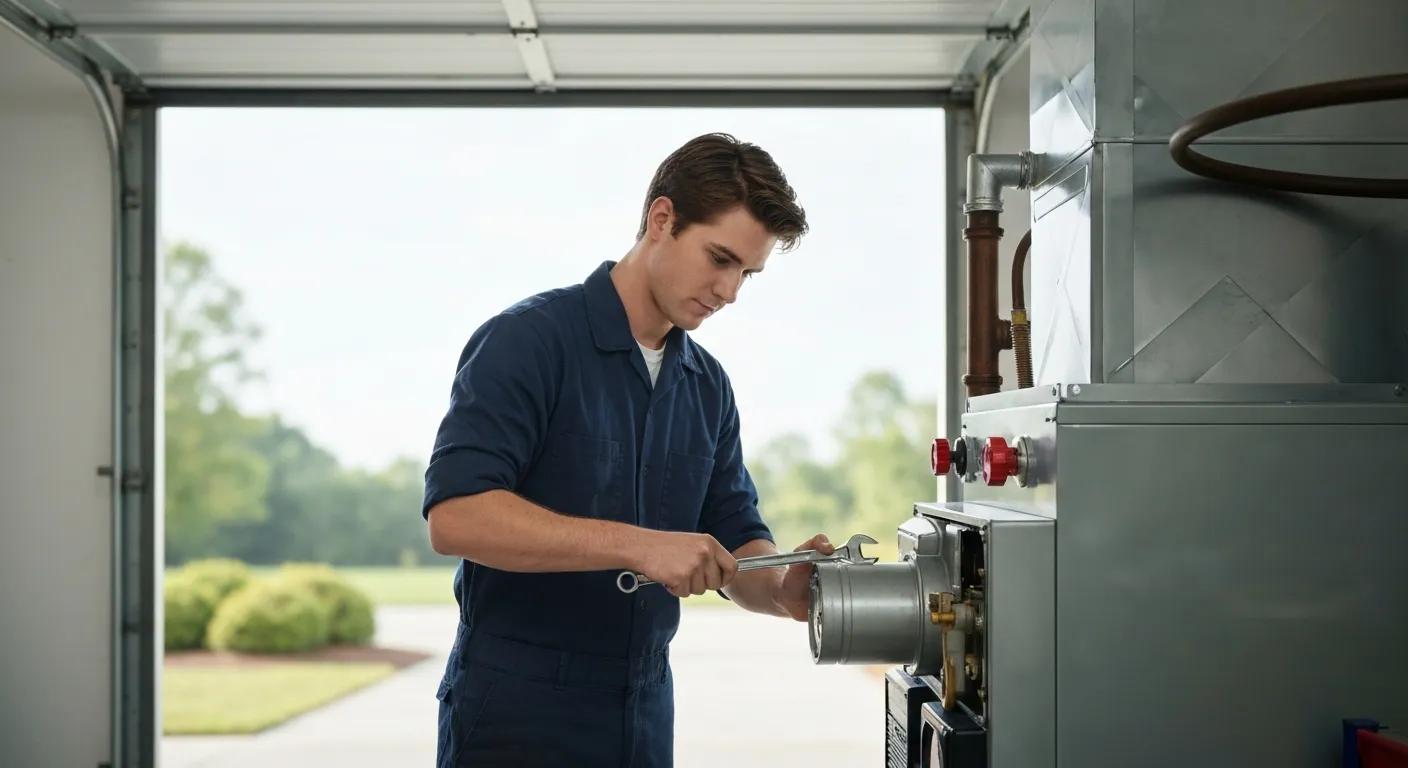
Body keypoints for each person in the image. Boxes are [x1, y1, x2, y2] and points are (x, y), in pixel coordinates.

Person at [422, 132, 833, 767]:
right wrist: (642, 545)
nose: (729, 292)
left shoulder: (708, 386)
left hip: (644, 707)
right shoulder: (527, 342)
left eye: (746, 274)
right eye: (719, 258)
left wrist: (781, 589)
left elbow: (734, 530)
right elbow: (456, 517)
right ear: (661, 219)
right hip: (515, 709)